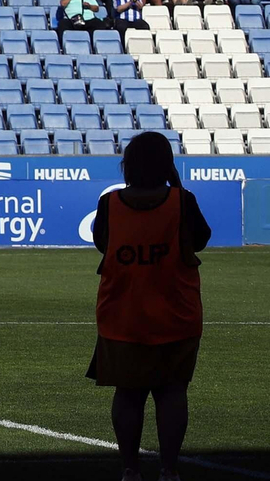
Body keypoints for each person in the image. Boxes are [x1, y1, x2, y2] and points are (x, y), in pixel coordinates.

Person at [89, 131, 210, 481]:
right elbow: (201, 240)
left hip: (123, 312)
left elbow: (103, 245)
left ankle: (129, 468)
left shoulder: (110, 204)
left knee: (128, 392)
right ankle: (169, 469)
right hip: (176, 312)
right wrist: (176, 187)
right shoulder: (182, 201)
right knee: (172, 391)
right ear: (166, 165)